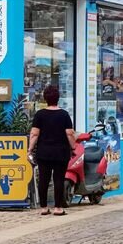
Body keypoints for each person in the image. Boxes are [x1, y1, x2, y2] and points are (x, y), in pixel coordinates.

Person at [27, 85, 78, 216]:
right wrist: (73, 147)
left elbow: (34, 134)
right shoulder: (64, 115)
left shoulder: (40, 115)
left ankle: (43, 207)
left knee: (43, 179)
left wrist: (30, 149)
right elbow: (70, 134)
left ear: (45, 98)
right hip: (61, 153)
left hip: (44, 153)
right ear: (58, 98)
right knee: (59, 179)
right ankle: (58, 208)